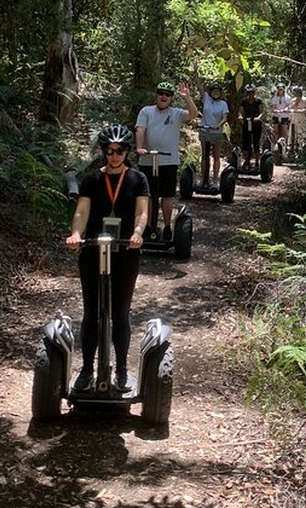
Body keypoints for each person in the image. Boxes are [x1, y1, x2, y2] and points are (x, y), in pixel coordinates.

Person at [65, 124, 150, 392]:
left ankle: (123, 369)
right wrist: (76, 234)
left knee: (120, 312)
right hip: (93, 251)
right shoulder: (92, 179)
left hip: (125, 252)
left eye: (121, 150)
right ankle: (86, 368)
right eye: (110, 150)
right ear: (104, 151)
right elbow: (82, 212)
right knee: (91, 312)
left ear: (127, 152)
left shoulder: (138, 179)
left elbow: (142, 212)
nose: (115, 155)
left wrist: (137, 232)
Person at [135, 80, 198, 240]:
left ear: (171, 98)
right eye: (161, 93)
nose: (164, 97)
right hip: (148, 160)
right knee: (148, 196)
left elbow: (193, 114)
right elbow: (140, 129)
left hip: (168, 161)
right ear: (157, 95)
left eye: (168, 95)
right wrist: (140, 147)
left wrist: (187, 97)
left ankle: (168, 227)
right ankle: (148, 227)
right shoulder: (146, 111)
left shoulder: (176, 113)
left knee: (167, 195)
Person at [199, 81, 229, 185]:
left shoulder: (223, 104)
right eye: (214, 91)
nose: (215, 93)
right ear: (210, 92)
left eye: (217, 91)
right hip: (204, 130)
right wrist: (196, 71)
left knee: (216, 155)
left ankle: (215, 179)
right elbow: (200, 87)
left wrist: (218, 125)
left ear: (220, 93)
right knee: (204, 155)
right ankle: (203, 179)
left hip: (216, 132)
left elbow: (225, 117)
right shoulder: (206, 98)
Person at [237, 84, 264, 170]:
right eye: (248, 92)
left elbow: (262, 112)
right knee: (246, 143)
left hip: (256, 124)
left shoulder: (258, 101)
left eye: (252, 92)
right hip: (246, 123)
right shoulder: (244, 102)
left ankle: (257, 162)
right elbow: (240, 112)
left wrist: (258, 118)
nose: (250, 94)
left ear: (254, 93)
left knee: (256, 142)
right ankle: (246, 161)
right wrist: (240, 117)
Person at [287, 85, 306, 150]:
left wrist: (298, 110)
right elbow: (290, 108)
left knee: (301, 131)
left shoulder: (305, 99)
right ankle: (292, 146)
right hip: (294, 117)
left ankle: (302, 146)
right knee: (292, 131)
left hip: (301, 117)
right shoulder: (293, 100)